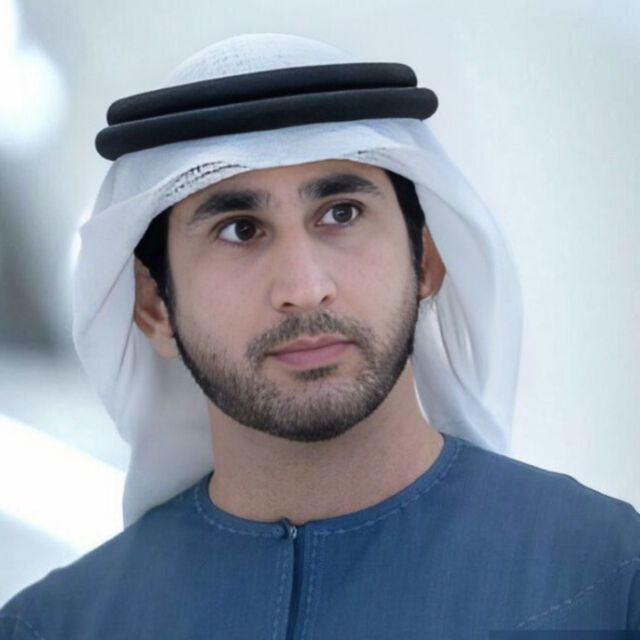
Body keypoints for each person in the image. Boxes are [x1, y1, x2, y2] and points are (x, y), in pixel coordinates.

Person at [1, 33, 638, 639]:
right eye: (239, 230)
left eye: (341, 213)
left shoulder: (608, 578)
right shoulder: (53, 629)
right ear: (154, 306)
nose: (304, 288)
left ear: (427, 261)